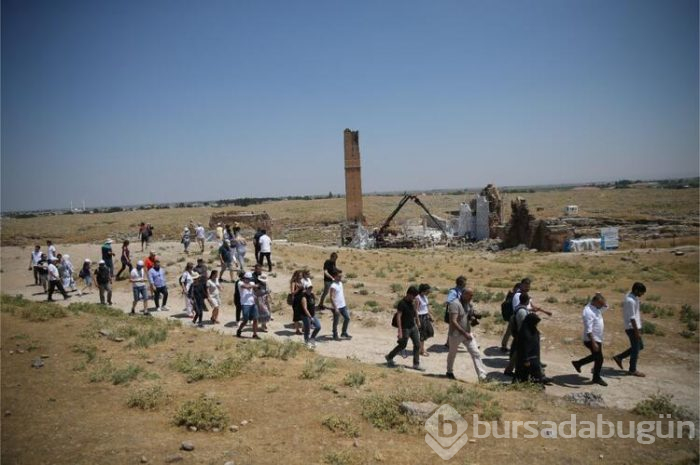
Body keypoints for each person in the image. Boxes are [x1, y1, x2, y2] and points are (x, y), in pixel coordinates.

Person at [504, 278, 553, 375]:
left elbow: (529, 306)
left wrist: (542, 311)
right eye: (526, 285)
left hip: (525, 324)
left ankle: (510, 369)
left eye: (529, 286)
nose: (528, 287)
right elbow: (519, 309)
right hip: (521, 325)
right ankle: (538, 372)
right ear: (521, 285)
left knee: (519, 349)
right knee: (524, 348)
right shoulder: (518, 296)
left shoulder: (526, 296)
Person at [446, 288, 487, 381]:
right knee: (452, 354)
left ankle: (482, 376)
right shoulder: (454, 304)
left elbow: (467, 315)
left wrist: (472, 319)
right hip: (455, 334)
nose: (471, 297)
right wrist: (464, 333)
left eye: (472, 295)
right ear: (464, 294)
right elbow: (453, 321)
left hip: (467, 333)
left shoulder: (467, 303)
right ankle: (449, 371)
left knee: (476, 352)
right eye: (470, 295)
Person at [572, 293, 608, 386]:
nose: (602, 306)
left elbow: (605, 307)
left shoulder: (596, 307)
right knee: (599, 358)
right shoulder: (588, 312)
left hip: (597, 338)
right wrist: (593, 343)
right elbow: (588, 330)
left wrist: (603, 302)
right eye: (600, 304)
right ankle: (596, 378)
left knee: (597, 357)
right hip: (591, 339)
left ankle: (578, 363)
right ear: (595, 302)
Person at [613, 282, 647, 377]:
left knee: (639, 346)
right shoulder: (630, 301)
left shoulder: (632, 296)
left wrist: (640, 326)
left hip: (635, 327)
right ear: (636, 290)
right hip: (632, 328)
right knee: (636, 349)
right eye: (641, 292)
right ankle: (632, 370)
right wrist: (636, 331)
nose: (642, 294)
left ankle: (619, 357)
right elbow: (632, 318)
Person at [386, 286, 424, 370]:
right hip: (405, 328)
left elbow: (415, 311)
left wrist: (417, 321)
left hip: (413, 326)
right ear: (409, 294)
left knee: (417, 345)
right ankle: (389, 356)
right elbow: (398, 317)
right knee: (403, 345)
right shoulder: (402, 303)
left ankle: (416, 364)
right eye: (413, 296)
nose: (414, 298)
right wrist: (399, 330)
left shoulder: (413, 302)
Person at [514, 295, 549, 385]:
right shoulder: (525, 333)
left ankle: (540, 380)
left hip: (533, 358)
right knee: (522, 374)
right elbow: (524, 347)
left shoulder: (533, 331)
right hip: (527, 360)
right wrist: (526, 360)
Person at [443, 276, 467, 347]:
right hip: (454, 313)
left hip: (459, 313)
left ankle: (449, 343)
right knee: (458, 328)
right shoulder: (453, 291)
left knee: (454, 328)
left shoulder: (460, 291)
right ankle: (469, 342)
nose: (466, 284)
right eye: (465, 283)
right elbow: (449, 301)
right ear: (461, 283)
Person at [236, 272, 260, 339]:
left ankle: (255, 334)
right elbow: (246, 287)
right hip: (245, 304)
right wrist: (255, 286)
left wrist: (258, 287)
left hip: (253, 303)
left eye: (250, 279)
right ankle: (239, 330)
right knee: (245, 320)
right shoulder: (240, 283)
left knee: (255, 319)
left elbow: (255, 290)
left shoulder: (252, 283)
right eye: (248, 279)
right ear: (244, 278)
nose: (249, 280)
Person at [329, 269, 351, 340]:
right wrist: (335, 308)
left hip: (343, 305)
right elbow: (331, 297)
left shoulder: (340, 283)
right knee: (336, 321)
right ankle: (335, 334)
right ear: (335, 277)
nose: (340, 278)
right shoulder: (333, 286)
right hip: (337, 306)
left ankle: (344, 332)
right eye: (339, 276)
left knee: (347, 318)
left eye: (341, 276)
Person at [415, 284, 434, 356]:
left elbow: (427, 307)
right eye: (427, 291)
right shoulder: (418, 298)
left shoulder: (425, 297)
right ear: (423, 291)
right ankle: (421, 350)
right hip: (420, 317)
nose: (428, 292)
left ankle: (421, 348)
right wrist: (418, 321)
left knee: (429, 332)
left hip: (426, 316)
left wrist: (430, 315)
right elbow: (416, 310)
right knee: (422, 334)